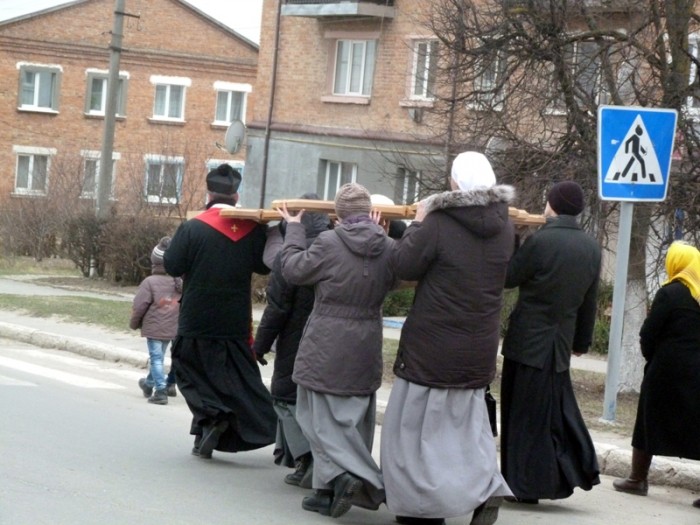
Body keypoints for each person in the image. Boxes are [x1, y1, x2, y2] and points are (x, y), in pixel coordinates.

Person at [381, 151, 514, 525]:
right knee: (467, 432)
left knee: (416, 435)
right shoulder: (505, 226)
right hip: (479, 347)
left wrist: (418, 224)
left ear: (456, 182)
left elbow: (403, 266)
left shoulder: (438, 222)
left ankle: (421, 506)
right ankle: (485, 488)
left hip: (432, 348)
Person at [276, 182, 397, 519]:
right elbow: (398, 275)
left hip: (326, 342)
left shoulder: (329, 242)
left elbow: (293, 270)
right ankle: (326, 490)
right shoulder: (387, 246)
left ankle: (352, 477)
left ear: (338, 215)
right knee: (352, 420)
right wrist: (381, 235)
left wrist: (295, 230)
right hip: (366, 342)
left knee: (315, 418)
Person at [163, 163, 276, 459]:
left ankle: (213, 417)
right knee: (233, 377)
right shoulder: (252, 230)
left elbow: (172, 266)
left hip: (197, 315)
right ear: (236, 196)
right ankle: (208, 432)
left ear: (209, 193)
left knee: (188, 370)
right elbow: (264, 265)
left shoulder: (192, 227)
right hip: (235, 318)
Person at [500, 180, 601, 503]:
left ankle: (523, 484)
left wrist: (514, 238)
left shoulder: (541, 240)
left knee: (522, 417)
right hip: (558, 348)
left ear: (553, 205)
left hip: (527, 343)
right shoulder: (591, 247)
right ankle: (547, 480)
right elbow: (590, 301)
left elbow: (508, 277)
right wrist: (581, 342)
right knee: (549, 415)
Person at [612, 241, 700, 510]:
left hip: (666, 371)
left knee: (649, 422)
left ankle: (638, 479)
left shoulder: (670, 293)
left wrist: (653, 357)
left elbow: (648, 333)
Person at [253, 193, 330, 488]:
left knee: (286, 399)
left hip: (296, 341)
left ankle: (307, 459)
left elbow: (277, 309)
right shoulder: (338, 246)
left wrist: (259, 347)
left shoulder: (292, 255)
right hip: (334, 343)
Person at [130, 236, 181, 405]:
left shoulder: (149, 282)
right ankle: (149, 383)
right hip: (171, 328)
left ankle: (160, 390)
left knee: (156, 358)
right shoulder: (178, 282)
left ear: (155, 262)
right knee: (158, 357)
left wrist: (134, 323)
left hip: (154, 327)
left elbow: (139, 305)